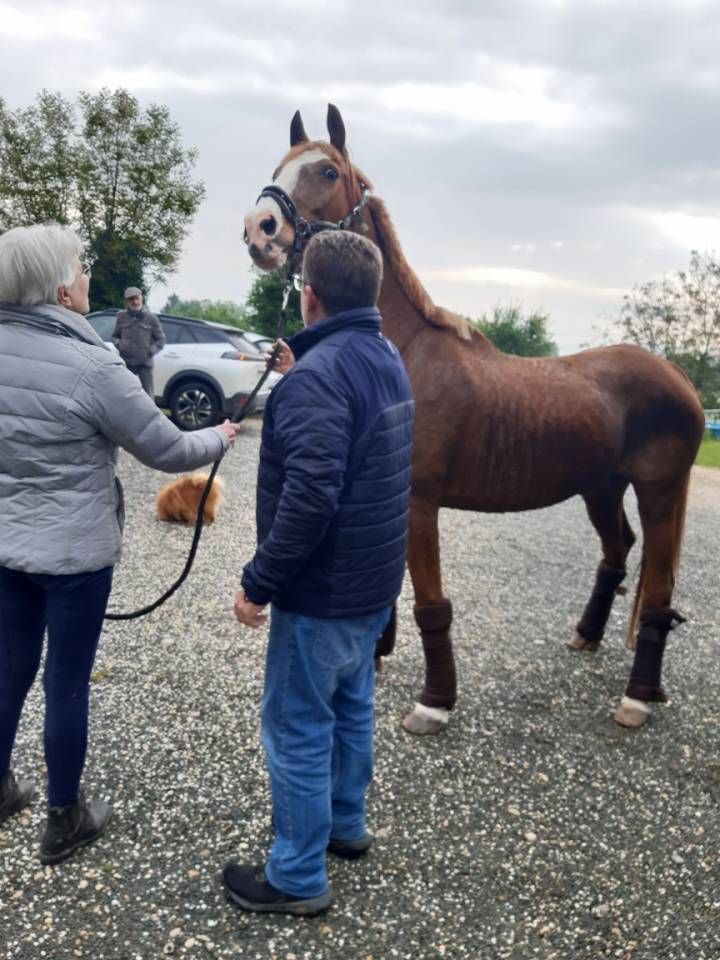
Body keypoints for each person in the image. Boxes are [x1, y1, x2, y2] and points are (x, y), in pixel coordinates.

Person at [0, 224, 239, 865]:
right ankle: (63, 818)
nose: (86, 281)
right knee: (67, 683)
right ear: (57, 287)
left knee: (9, 667)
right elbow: (166, 448)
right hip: (74, 555)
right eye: (80, 270)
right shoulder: (90, 364)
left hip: (5, 547)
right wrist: (219, 437)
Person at [225, 230, 414, 916]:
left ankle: (297, 876)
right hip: (371, 584)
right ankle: (344, 824)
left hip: (323, 591)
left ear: (308, 295)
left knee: (299, 722)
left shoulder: (318, 376)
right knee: (351, 703)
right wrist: (296, 366)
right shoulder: (382, 353)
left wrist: (258, 581)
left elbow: (309, 497)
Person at [111, 286, 166, 397]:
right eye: (131, 299)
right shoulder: (121, 316)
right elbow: (114, 336)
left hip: (145, 364)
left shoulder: (151, 318)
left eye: (137, 298)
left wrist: (150, 351)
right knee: (125, 393)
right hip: (127, 363)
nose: (135, 302)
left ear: (141, 298)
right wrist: (120, 345)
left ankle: (149, 415)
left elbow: (161, 340)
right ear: (127, 301)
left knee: (148, 396)